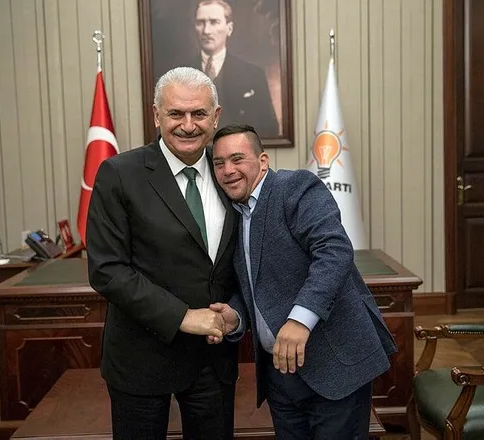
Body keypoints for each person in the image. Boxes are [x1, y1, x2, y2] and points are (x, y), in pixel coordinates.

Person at [209, 124, 398, 439]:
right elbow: (256, 284)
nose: (228, 170)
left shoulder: (294, 187)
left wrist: (300, 319)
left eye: (237, 159)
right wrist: (236, 315)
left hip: (334, 366)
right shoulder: (234, 213)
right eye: (219, 163)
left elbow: (334, 251)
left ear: (263, 161)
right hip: (281, 375)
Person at [86, 67, 240, 440]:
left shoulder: (231, 173)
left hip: (213, 358)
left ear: (215, 117)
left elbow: (244, 259)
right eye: (175, 114)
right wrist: (182, 316)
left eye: (199, 113)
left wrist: (236, 311)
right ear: (157, 115)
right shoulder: (119, 174)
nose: (188, 125)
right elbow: (107, 269)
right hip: (141, 358)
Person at [188, 0, 279, 138]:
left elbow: (270, 129)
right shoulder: (179, 74)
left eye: (214, 22)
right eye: (200, 23)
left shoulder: (254, 74)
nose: (206, 30)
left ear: (229, 29)